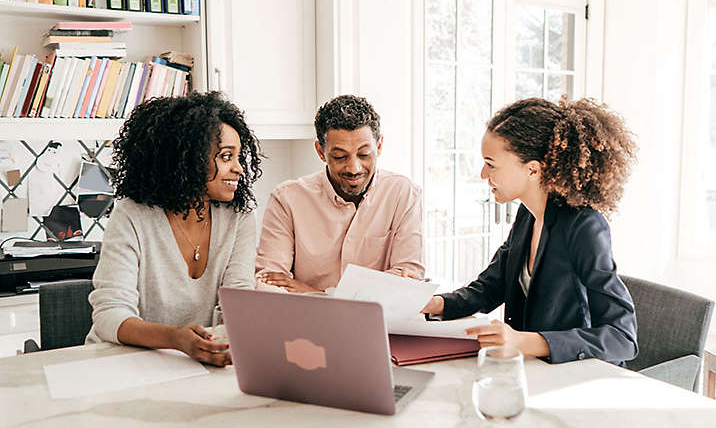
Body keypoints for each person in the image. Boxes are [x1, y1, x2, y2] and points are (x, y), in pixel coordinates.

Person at [422, 97, 638, 365]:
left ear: (533, 169)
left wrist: (525, 342)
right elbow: (491, 287)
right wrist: (434, 304)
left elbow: (622, 338)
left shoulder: (583, 226)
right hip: (532, 371)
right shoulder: (528, 214)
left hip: (575, 375)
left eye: (491, 164)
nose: (482, 174)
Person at [86, 91, 262, 367]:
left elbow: (238, 301)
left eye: (239, 157)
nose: (239, 168)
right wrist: (175, 338)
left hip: (197, 363)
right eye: (226, 156)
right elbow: (110, 316)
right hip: (123, 364)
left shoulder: (239, 217)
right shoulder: (132, 215)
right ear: (187, 158)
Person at [256, 94, 423, 293]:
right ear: (320, 151)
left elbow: (409, 281)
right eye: (340, 156)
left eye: (364, 154)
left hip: (377, 323)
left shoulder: (404, 194)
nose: (354, 168)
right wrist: (377, 286)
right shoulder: (286, 199)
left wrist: (316, 293)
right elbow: (269, 284)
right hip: (306, 323)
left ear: (379, 147)